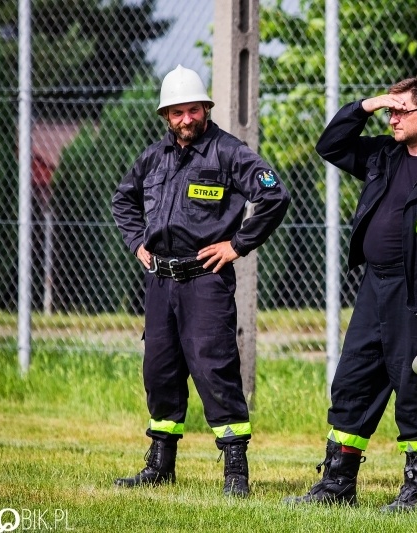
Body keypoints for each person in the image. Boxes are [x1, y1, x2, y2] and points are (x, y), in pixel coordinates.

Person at [285, 76, 417, 512]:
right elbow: (331, 144)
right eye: (389, 111)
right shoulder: (383, 155)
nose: (393, 118)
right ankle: (337, 485)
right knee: (353, 380)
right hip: (374, 287)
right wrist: (369, 104)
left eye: (401, 110)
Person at [111, 65, 290, 497]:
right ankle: (160, 465)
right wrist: (138, 242)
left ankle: (235, 473)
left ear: (205, 109)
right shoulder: (153, 158)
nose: (186, 119)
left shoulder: (229, 153)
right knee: (160, 371)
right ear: (165, 117)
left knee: (215, 368)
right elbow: (123, 199)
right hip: (160, 282)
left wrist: (237, 245)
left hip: (205, 281)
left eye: (193, 109)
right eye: (177, 112)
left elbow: (274, 195)